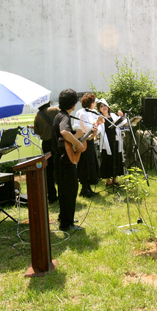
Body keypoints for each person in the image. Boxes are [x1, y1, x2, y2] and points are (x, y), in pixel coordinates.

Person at [52, 88, 87, 232]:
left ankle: (65, 218)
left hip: (60, 160)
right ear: (73, 104)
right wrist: (78, 143)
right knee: (70, 191)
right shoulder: (65, 118)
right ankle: (67, 224)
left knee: (65, 191)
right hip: (64, 161)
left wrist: (80, 136)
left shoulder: (59, 116)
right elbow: (64, 132)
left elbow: (65, 137)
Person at [33, 102, 60, 204]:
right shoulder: (55, 110)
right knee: (60, 168)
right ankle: (63, 194)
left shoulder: (38, 115)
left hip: (46, 144)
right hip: (57, 142)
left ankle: (52, 196)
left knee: (48, 171)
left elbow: (37, 132)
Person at [75, 93, 101, 198]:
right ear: (91, 103)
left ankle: (88, 188)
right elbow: (85, 127)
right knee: (85, 164)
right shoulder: (82, 113)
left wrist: (96, 128)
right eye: (94, 102)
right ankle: (84, 188)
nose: (95, 104)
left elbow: (96, 125)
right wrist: (94, 128)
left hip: (90, 141)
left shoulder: (92, 112)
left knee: (90, 164)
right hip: (84, 140)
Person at [96, 99, 125, 186]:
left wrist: (121, 116)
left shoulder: (113, 115)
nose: (104, 107)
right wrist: (98, 122)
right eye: (101, 106)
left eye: (105, 105)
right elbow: (98, 130)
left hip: (115, 141)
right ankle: (108, 179)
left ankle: (115, 179)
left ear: (108, 106)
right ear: (99, 109)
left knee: (116, 158)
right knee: (107, 159)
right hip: (106, 142)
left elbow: (121, 124)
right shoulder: (100, 117)